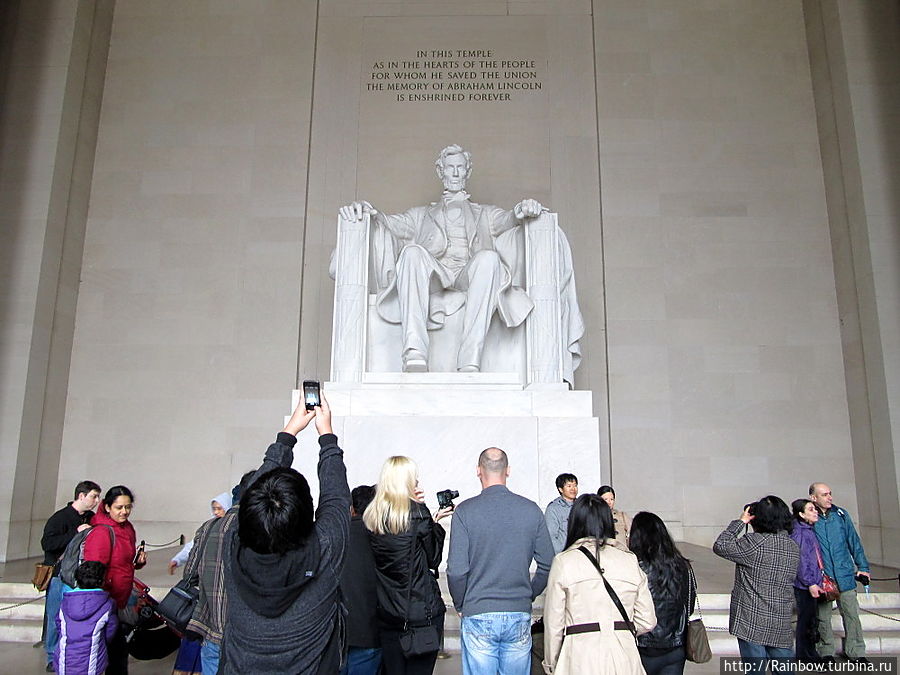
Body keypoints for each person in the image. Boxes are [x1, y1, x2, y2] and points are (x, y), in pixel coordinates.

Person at [339, 144, 582, 375]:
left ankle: (470, 358)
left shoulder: (484, 214)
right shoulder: (420, 216)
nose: (455, 172)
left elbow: (509, 219)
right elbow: (388, 223)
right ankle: (414, 351)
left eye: (460, 167)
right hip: (435, 275)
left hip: (468, 275)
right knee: (412, 253)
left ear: (468, 171)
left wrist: (522, 209)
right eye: (450, 167)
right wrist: (367, 211)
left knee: (488, 258)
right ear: (440, 171)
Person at [220, 393, 350, 674]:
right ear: (307, 513)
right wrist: (326, 435)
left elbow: (249, 499)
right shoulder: (326, 546)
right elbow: (337, 498)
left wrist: (288, 435)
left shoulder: (232, 540)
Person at [448, 447, 555, 674]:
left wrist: (461, 603)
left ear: (478, 471)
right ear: (508, 471)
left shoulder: (465, 512)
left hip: (478, 609)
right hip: (517, 608)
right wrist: (529, 592)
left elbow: (457, 571)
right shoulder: (531, 510)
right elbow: (548, 563)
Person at [543, 494, 656, 674]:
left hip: (579, 656)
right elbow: (647, 619)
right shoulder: (629, 560)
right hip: (624, 656)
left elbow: (554, 624)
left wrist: (551, 664)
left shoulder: (564, 562)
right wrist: (620, 630)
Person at [363, 456, 451, 674]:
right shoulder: (418, 514)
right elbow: (434, 558)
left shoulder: (372, 516)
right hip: (421, 612)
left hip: (388, 610)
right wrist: (433, 521)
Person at [712, 496, 798, 670]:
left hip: (752, 620)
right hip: (780, 620)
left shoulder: (754, 543)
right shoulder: (792, 546)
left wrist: (741, 522)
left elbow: (721, 545)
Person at [185, 470, 257, 675]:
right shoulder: (259, 529)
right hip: (247, 634)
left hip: (211, 627)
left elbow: (189, 575)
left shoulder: (208, 528)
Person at [82, 485, 147, 675]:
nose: (124, 512)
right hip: (105, 602)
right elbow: (92, 571)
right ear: (108, 507)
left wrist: (137, 563)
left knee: (118, 653)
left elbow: (124, 564)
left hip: (121, 598)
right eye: (119, 507)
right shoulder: (101, 531)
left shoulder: (128, 528)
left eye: (128, 507)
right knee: (113, 653)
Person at [40, 480, 101, 672]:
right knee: (54, 616)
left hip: (81, 575)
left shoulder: (92, 518)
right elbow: (48, 544)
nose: (97, 500)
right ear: (81, 496)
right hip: (59, 576)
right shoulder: (60, 518)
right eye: (94, 496)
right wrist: (76, 532)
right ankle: (51, 655)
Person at [809, 482, 870, 663]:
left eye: (830, 493)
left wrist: (863, 567)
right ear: (814, 498)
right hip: (823, 576)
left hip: (845, 573)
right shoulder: (809, 516)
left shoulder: (841, 515)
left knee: (851, 615)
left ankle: (856, 652)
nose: (830, 498)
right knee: (823, 617)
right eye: (824, 494)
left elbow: (854, 541)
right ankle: (825, 652)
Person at [629, 512, 695, 675]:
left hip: (641, 646)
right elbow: (690, 604)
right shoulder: (682, 566)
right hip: (675, 645)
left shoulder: (634, 567)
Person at [340, 485, 382, 675]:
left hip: (337, 632)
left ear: (351, 509)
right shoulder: (383, 537)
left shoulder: (334, 534)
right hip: (370, 631)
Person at [54, 561, 117, 675]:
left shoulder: (65, 603)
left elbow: (59, 627)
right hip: (93, 664)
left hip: (64, 662)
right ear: (101, 581)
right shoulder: (108, 605)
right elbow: (110, 633)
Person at [790, 498, 824, 664]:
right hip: (805, 585)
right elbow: (801, 561)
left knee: (810, 620)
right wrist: (810, 582)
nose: (815, 511)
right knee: (806, 621)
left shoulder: (808, 530)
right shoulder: (801, 533)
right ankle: (806, 655)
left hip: (811, 582)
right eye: (810, 509)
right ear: (801, 514)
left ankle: (808, 654)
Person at [168, 492, 232, 575]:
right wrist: (177, 560)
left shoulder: (233, 527)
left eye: (219, 509)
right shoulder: (208, 527)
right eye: (214, 509)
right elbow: (194, 545)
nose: (216, 512)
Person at [544, 473, 578, 554]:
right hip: (564, 555)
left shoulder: (582, 506)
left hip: (582, 555)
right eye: (569, 486)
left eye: (575, 485)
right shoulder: (554, 508)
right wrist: (562, 554)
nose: (573, 489)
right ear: (560, 489)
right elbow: (551, 537)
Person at [598, 485, 630, 550]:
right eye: (605, 499)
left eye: (611, 499)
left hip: (622, 553)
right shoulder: (595, 517)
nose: (609, 502)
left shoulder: (622, 516)